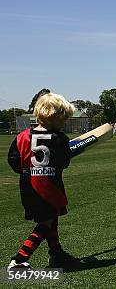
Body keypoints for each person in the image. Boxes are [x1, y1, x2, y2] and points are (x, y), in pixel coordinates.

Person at [6, 93, 82, 270]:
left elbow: (13, 160)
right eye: (64, 118)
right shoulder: (60, 139)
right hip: (49, 187)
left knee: (50, 218)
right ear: (55, 117)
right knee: (46, 222)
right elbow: (64, 162)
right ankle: (19, 260)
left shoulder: (22, 136)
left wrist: (28, 171)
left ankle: (56, 255)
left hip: (28, 186)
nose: (65, 122)